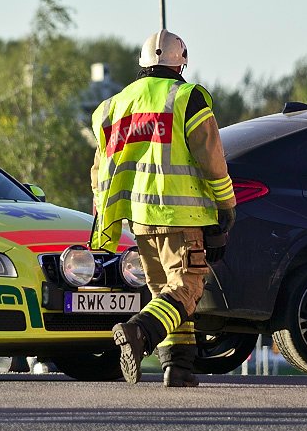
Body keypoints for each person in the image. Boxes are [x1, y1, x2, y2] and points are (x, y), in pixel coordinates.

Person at [89, 30, 236, 388]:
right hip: (181, 217)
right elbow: (212, 159)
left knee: (166, 294)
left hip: (139, 220)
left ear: (142, 64)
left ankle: (178, 367)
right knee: (187, 288)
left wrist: (103, 221)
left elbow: (99, 171)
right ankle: (139, 332)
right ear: (182, 62)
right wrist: (226, 206)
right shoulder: (186, 98)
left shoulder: (114, 107)